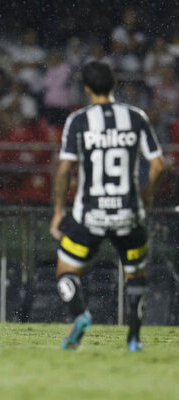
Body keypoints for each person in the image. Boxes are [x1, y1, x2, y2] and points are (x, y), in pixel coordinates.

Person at [49, 61, 165, 352]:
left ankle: (80, 315)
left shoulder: (78, 120)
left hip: (90, 215)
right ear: (114, 84)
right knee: (135, 275)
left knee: (66, 271)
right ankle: (134, 338)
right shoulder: (136, 117)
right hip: (128, 214)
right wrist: (146, 194)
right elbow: (158, 165)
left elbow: (64, 170)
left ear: (86, 89)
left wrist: (58, 211)